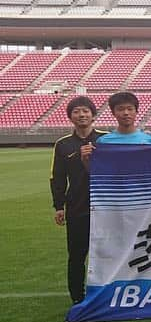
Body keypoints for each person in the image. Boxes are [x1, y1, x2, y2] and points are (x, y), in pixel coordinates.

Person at [50, 96, 106, 304]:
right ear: (70, 116)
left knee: (107, 253)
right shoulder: (63, 144)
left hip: (105, 206)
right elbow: (57, 177)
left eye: (85, 111)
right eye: (76, 111)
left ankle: (104, 293)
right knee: (76, 255)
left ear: (93, 114)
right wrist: (58, 206)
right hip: (76, 207)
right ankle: (77, 298)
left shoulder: (106, 139)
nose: (81, 115)